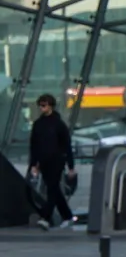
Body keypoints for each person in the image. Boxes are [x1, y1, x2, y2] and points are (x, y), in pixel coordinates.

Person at [28, 93, 76, 230]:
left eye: (44, 105)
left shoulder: (59, 124)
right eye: (40, 105)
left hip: (57, 161)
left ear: (51, 106)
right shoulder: (38, 124)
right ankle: (67, 216)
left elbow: (67, 145)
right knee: (54, 189)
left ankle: (46, 218)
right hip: (44, 162)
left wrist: (71, 166)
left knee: (52, 188)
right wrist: (34, 164)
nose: (41, 108)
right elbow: (34, 145)